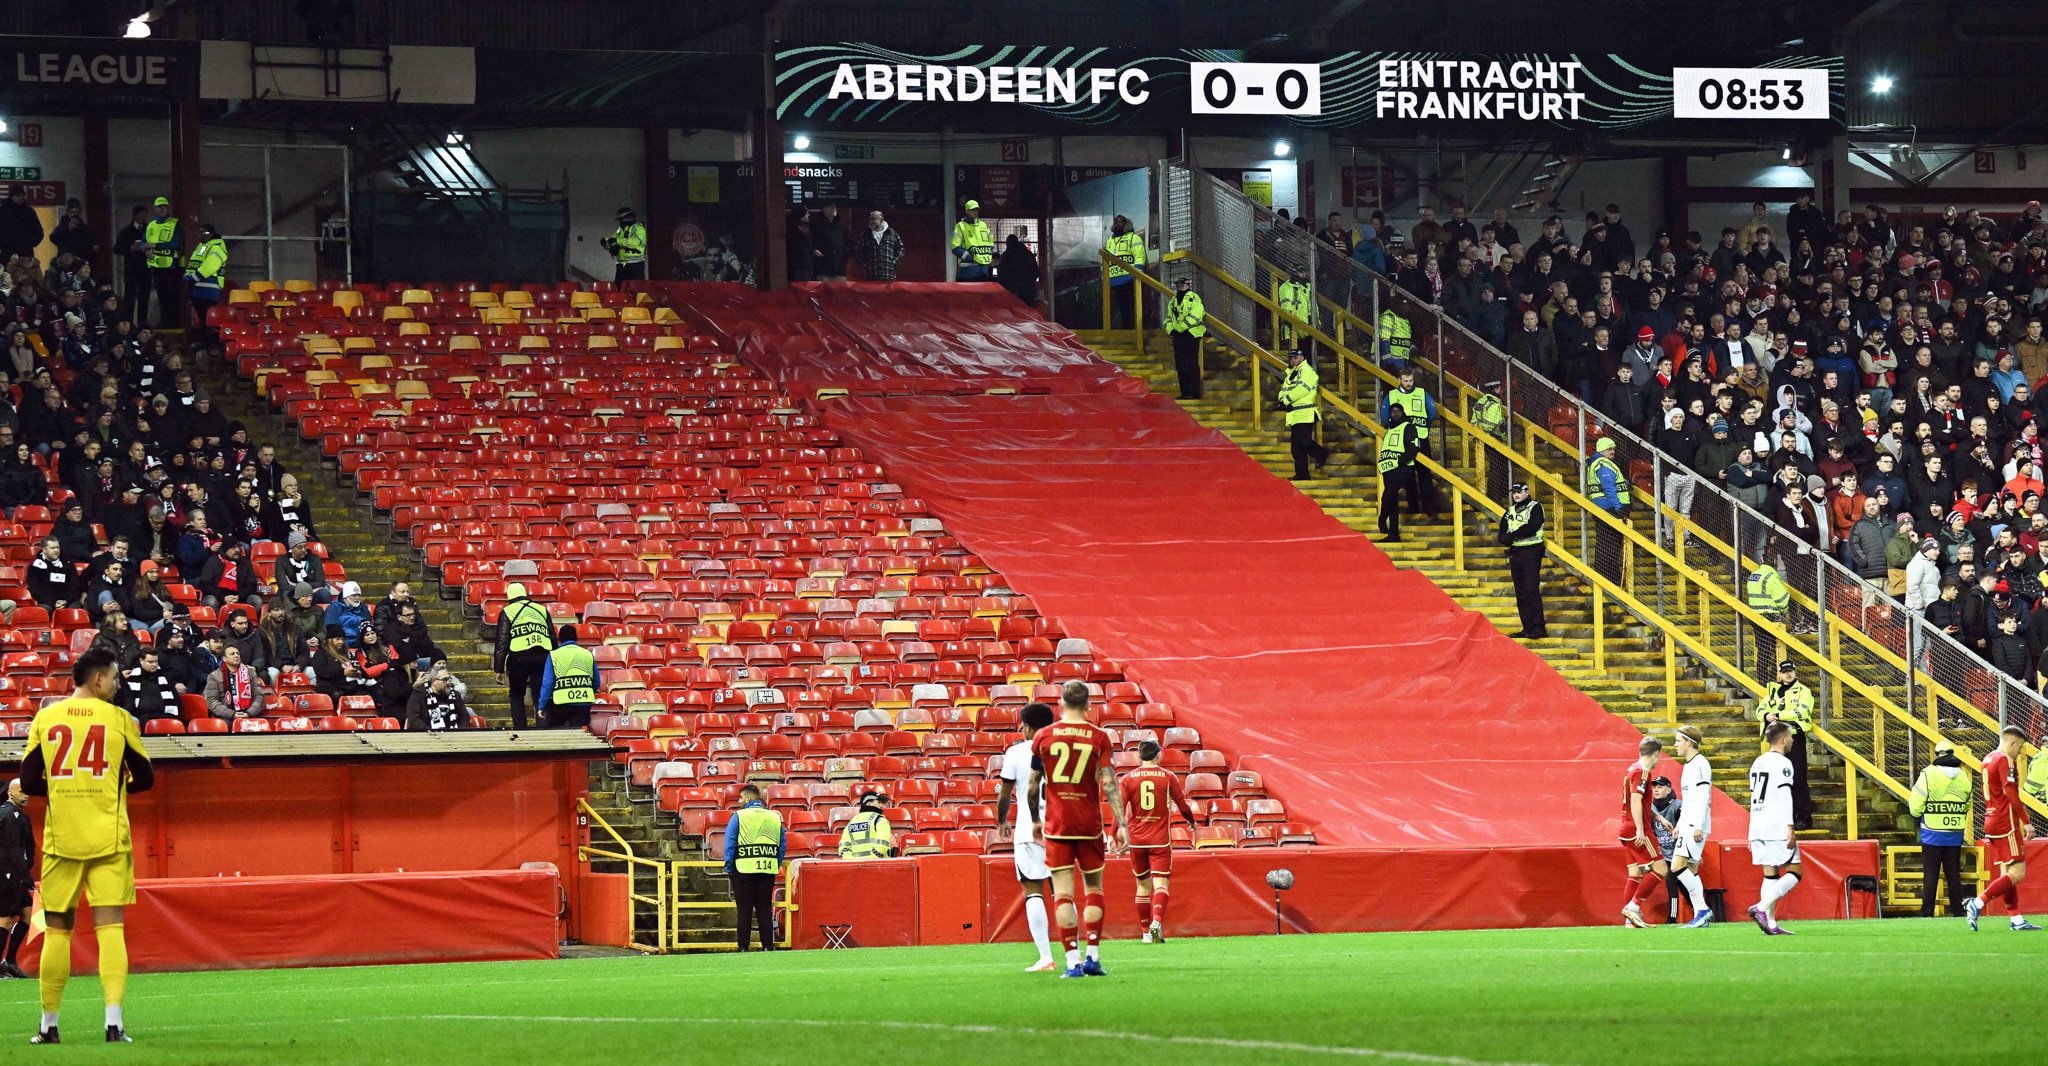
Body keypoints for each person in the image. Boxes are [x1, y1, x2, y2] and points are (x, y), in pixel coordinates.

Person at [22, 648, 152, 1043]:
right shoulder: (119, 719)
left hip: (62, 838)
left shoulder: (46, 718)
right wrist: (110, 785)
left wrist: (62, 790)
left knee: (57, 931)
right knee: (110, 928)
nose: (116, 685)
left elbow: (28, 782)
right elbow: (145, 777)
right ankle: (114, 1024)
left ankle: (49, 1027)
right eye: (114, 678)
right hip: (109, 838)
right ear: (98, 679)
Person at [995, 701, 1057, 972]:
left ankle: (1046, 958)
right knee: (1063, 893)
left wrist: (1002, 821)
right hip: (1062, 830)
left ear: (1029, 727)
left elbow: (1005, 793)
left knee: (1034, 893)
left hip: (1029, 830)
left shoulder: (1016, 752)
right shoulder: (1064, 750)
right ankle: (1077, 957)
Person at [1118, 739, 1197, 945]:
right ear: (1157, 755)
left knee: (1142, 886)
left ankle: (1145, 933)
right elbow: (1183, 805)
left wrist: (1112, 834)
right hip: (1160, 840)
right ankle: (1156, 923)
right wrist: (1192, 822)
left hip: (1136, 840)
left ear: (1139, 756)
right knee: (1161, 884)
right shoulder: (1168, 777)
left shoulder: (1127, 778)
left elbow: (1120, 809)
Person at [1965, 726, 2039, 932]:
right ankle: (1978, 903)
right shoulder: (2005, 760)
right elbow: (2010, 793)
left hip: (1991, 819)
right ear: (2012, 742)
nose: (2020, 752)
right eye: (2020, 747)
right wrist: (2026, 821)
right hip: (2006, 822)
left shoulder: (1987, 758)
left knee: (2006, 872)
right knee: (2018, 871)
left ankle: (2016, 920)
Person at [1746, 721, 1802, 935]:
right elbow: (1784, 795)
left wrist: (1750, 831)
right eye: (1790, 737)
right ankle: (1760, 908)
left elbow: (1754, 797)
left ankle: (1770, 924)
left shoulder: (1758, 762)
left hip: (1758, 823)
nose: (1792, 741)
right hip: (1776, 824)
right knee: (1795, 871)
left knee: (1770, 874)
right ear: (1782, 739)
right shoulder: (1783, 763)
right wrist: (1790, 825)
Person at [1909, 739, 1971, 918]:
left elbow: (1915, 804)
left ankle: (1927, 912)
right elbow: (1967, 804)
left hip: (1932, 832)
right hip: (1955, 833)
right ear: (1952, 754)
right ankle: (1958, 911)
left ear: (1936, 755)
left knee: (1931, 873)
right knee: (1953, 874)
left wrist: (1917, 816)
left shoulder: (1928, 774)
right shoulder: (1963, 776)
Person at [1752, 659, 1815, 831]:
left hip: (1794, 738)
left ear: (1795, 672)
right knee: (1779, 779)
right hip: (1776, 740)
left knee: (1798, 778)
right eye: (1785, 671)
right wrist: (1766, 716)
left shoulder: (1804, 691)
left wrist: (1778, 714)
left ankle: (1803, 817)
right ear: (1779, 674)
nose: (1788, 674)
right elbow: (1759, 710)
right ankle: (1786, 817)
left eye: (1791, 671)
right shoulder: (1773, 691)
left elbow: (1802, 711)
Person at [722, 783, 784, 952]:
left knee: (744, 910)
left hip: (743, 869)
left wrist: (729, 867)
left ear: (748, 798)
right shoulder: (774, 817)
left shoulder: (739, 816)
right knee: (764, 908)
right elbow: (781, 845)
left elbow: (730, 844)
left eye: (741, 798)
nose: (739, 801)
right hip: (767, 869)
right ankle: (768, 946)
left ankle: (743, 947)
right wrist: (775, 864)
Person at [1618, 736, 1669, 928]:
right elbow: (1636, 800)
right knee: (1661, 869)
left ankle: (1629, 920)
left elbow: (1641, 802)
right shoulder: (1644, 773)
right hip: (1637, 828)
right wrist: (1640, 829)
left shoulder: (1631, 770)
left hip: (1625, 827)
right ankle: (1633, 907)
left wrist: (1660, 818)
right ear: (1656, 754)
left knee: (1635, 873)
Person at [492, 581, 555, 730]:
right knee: (541, 694)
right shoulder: (541, 610)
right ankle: (542, 727)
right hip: (542, 656)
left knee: (516, 694)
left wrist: (499, 669)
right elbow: (552, 637)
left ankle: (521, 728)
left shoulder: (508, 611)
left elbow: (502, 641)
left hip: (518, 658)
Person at [1668, 725, 1714, 928]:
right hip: (1688, 822)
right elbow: (1689, 799)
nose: (1675, 745)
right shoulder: (1689, 765)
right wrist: (1680, 823)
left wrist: (1697, 825)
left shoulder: (1700, 764)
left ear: (1689, 742)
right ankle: (1700, 914)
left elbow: (1704, 797)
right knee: (1692, 869)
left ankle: (1702, 909)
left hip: (1695, 824)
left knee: (1677, 867)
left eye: (1678, 740)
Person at [1381, 366, 1439, 513]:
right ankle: (1414, 507)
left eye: (1411, 380)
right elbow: (1384, 416)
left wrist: (1423, 424)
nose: (1409, 383)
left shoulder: (1421, 393)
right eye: (1406, 381)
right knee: (1408, 476)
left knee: (1425, 474)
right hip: (1403, 442)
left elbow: (1432, 412)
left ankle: (1428, 508)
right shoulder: (1392, 395)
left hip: (1421, 438)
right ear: (1399, 380)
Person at [1499, 481, 1547, 638]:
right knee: (1521, 592)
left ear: (1527, 492)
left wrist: (1512, 536)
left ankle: (1539, 628)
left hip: (1532, 552)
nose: (1516, 495)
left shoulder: (1535, 506)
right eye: (1514, 492)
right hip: (1516, 553)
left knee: (1531, 589)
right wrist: (1505, 539)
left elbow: (1533, 526)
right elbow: (1502, 531)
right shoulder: (1510, 510)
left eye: (1519, 492)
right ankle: (1527, 627)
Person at [0, 778, 35, 978]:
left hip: (16, 875)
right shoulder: (9, 814)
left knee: (29, 916)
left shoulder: (19, 815)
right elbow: (13, 847)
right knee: (5, 919)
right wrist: (24, 874)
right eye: (22, 791)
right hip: (7, 874)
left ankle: (10, 960)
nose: (26, 795)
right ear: (11, 793)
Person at [1278, 347, 1328, 482]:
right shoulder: (1291, 373)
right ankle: (1302, 473)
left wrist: (1286, 400)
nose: (1293, 360)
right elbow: (1284, 389)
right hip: (1294, 414)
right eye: (1291, 358)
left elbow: (1302, 389)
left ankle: (1321, 453)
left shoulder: (1307, 371)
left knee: (1303, 441)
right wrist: (1281, 399)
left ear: (1302, 357)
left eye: (1295, 358)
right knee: (1296, 447)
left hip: (1306, 412)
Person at [1585, 436, 1630, 584]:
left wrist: (1626, 484)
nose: (1612, 452)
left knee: (1606, 544)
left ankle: (1606, 576)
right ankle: (1609, 578)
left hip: (1604, 508)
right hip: (1609, 508)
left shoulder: (1600, 463)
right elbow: (1609, 489)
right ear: (1602, 450)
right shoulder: (1603, 464)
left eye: (1613, 449)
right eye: (1609, 449)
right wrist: (1619, 510)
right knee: (1610, 545)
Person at [538, 623, 597, 730]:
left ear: (559, 640)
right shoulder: (588, 654)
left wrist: (542, 705)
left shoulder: (554, 655)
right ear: (576, 638)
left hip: (561, 704)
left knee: (552, 731)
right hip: (583, 703)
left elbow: (548, 683)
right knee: (581, 736)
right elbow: (596, 681)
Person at [1163, 276, 1206, 400]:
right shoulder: (1173, 301)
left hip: (1191, 335)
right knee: (1180, 365)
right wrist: (1171, 330)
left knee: (1191, 364)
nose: (1179, 287)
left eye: (1182, 284)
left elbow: (1196, 315)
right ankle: (1185, 392)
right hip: (1178, 337)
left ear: (1188, 285)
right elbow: (1168, 319)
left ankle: (1193, 393)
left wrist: (1180, 328)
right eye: (1178, 285)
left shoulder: (1194, 298)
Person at [143, 196, 182, 330]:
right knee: (161, 296)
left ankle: (172, 322)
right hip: (156, 265)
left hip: (170, 265)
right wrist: (145, 251)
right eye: (159, 207)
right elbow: (143, 242)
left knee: (171, 296)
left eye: (164, 206)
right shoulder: (151, 226)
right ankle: (164, 321)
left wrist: (156, 245)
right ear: (155, 209)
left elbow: (175, 243)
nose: (162, 209)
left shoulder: (175, 223)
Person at [1745, 558, 1790, 676]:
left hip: (1756, 618)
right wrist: (1783, 612)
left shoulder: (1753, 576)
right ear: (1774, 563)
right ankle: (1775, 676)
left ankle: (1762, 678)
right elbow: (1783, 598)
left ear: (1761, 562)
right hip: (1771, 617)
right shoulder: (1772, 576)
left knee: (1762, 650)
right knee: (1776, 649)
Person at [203, 644, 269, 722]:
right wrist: (232, 714)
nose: (236, 656)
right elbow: (212, 701)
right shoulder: (214, 676)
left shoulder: (250, 673)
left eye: (237, 653)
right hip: (225, 717)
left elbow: (259, 697)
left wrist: (249, 713)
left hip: (248, 714)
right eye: (232, 654)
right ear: (224, 659)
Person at [183, 223, 227, 341]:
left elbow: (209, 266)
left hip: (208, 290)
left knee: (207, 321)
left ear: (212, 234)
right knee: (201, 320)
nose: (202, 235)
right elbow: (193, 264)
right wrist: (187, 276)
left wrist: (193, 278)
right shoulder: (202, 247)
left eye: (205, 232)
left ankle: (207, 343)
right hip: (197, 290)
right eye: (200, 232)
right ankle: (202, 342)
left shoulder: (217, 247)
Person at [116, 648, 181, 724]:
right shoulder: (131, 679)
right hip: (141, 717)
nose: (154, 665)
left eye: (156, 661)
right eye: (150, 662)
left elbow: (176, 699)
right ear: (141, 661)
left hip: (165, 715)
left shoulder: (165, 677)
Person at [1103, 214, 1146, 329]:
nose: (1118, 224)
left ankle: (1136, 332)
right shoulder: (1110, 241)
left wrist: (1139, 272)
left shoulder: (1134, 237)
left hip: (1130, 279)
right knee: (1122, 309)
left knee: (1134, 307)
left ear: (1126, 224)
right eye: (1116, 222)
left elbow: (1139, 256)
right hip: (1115, 281)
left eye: (1121, 222)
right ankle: (1126, 331)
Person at [404, 666, 469, 732]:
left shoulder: (455, 695)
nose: (448, 683)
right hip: (427, 736)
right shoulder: (419, 694)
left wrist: (458, 732)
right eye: (444, 680)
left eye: (449, 679)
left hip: (454, 736)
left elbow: (465, 717)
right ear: (433, 682)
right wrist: (430, 731)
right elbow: (414, 719)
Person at [115, 205, 151, 326]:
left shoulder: (150, 230)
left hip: (146, 269)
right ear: (135, 215)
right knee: (129, 297)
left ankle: (142, 323)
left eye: (145, 214)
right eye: (141, 214)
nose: (144, 217)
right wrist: (129, 249)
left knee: (144, 297)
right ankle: (128, 322)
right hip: (131, 269)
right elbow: (116, 249)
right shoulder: (126, 231)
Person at [835, 789, 894, 860]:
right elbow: (882, 845)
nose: (881, 806)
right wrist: (870, 860)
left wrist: (853, 861)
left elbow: (844, 846)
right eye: (878, 802)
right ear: (868, 803)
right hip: (876, 866)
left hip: (856, 868)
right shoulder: (879, 820)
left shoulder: (852, 822)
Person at [854, 210, 904, 281]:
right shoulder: (865, 235)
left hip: (888, 276)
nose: (871, 221)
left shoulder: (892, 233)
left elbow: (900, 249)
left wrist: (893, 263)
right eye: (870, 219)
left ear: (881, 219)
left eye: (874, 219)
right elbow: (857, 251)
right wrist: (865, 264)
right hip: (871, 276)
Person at [951, 199, 994, 282]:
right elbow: (954, 246)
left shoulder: (983, 225)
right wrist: (968, 257)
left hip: (984, 271)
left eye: (977, 209)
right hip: (967, 272)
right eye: (972, 210)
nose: (975, 212)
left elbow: (991, 240)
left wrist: (989, 251)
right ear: (966, 211)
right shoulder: (960, 226)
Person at [603, 208, 646, 282]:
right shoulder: (620, 229)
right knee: (619, 289)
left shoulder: (639, 228)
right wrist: (606, 242)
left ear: (630, 217)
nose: (621, 221)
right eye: (620, 219)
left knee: (636, 289)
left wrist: (618, 242)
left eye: (623, 219)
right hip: (621, 265)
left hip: (635, 265)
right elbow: (613, 238)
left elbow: (636, 242)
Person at [996, 234, 1039, 308]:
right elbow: (1036, 271)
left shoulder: (1006, 256)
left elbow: (1001, 273)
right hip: (1028, 290)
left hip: (1011, 291)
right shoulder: (1028, 254)